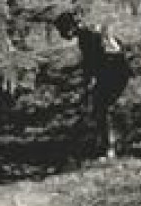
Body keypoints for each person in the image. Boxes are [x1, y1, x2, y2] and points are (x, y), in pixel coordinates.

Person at [54, 11, 131, 160]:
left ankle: (109, 148)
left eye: (62, 30)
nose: (62, 35)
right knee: (102, 107)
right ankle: (109, 144)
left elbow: (92, 61)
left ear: (70, 27)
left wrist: (90, 80)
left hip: (112, 72)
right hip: (118, 70)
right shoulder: (91, 32)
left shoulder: (86, 37)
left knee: (101, 108)